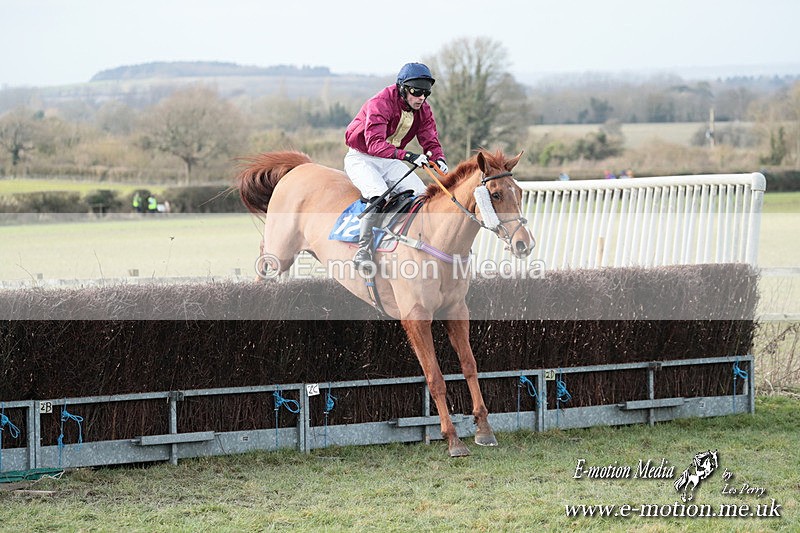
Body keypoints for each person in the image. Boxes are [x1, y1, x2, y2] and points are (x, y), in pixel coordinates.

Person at [344, 62, 448, 267]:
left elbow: (430, 139)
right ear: (402, 88)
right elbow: (374, 145)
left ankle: (416, 243)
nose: (421, 98)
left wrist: (439, 157)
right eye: (416, 92)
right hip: (362, 157)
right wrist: (408, 156)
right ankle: (363, 251)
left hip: (390, 159)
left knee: (422, 194)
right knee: (378, 194)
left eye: (426, 93)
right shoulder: (380, 103)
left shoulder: (423, 108)